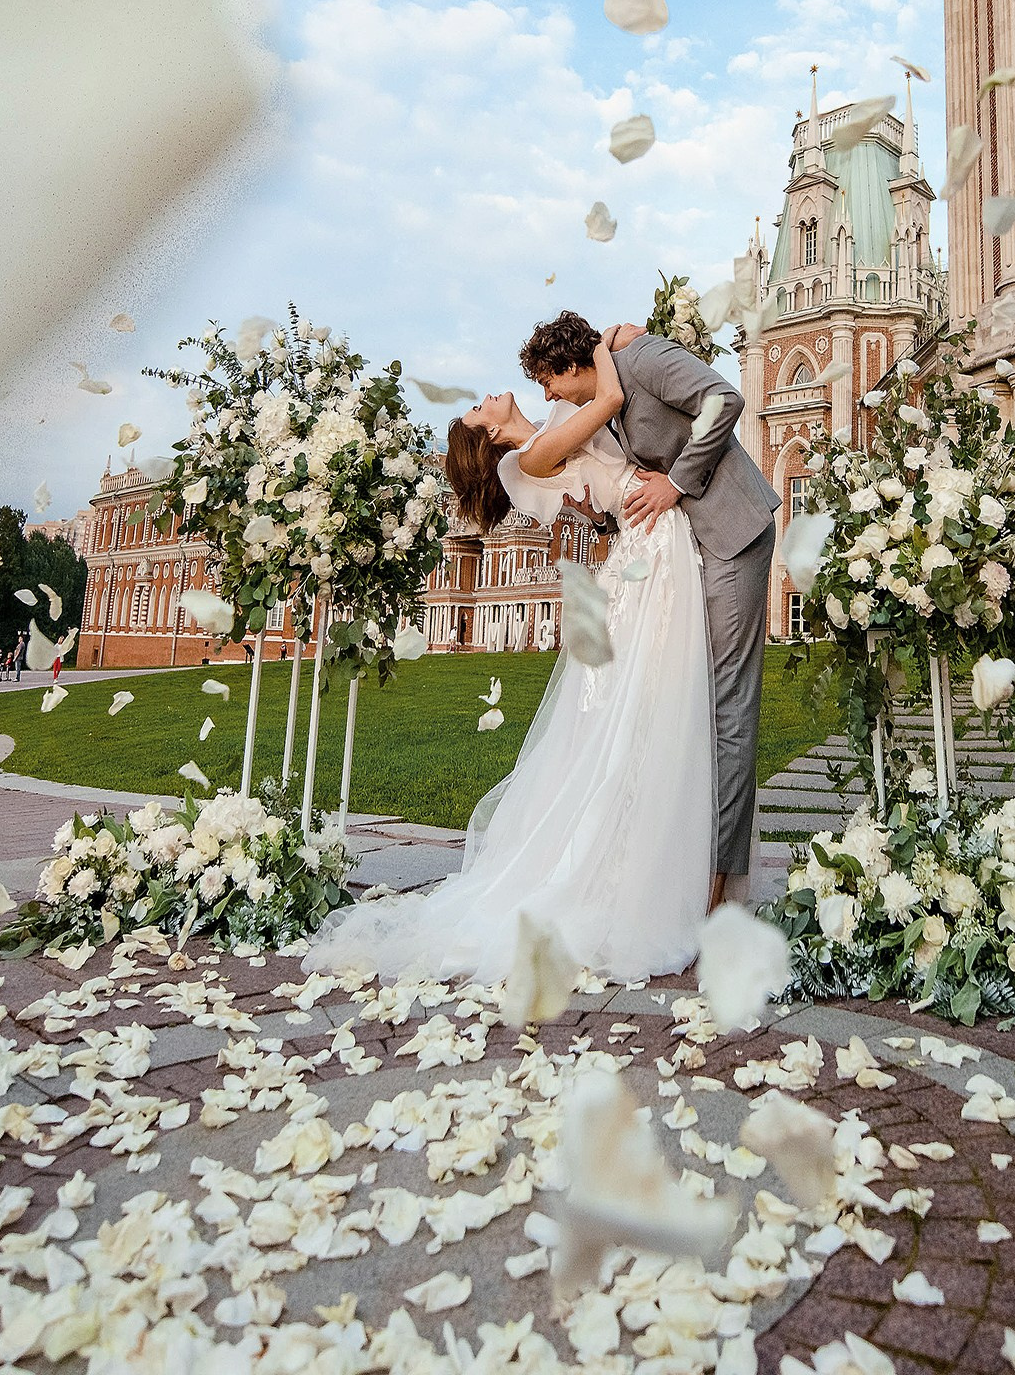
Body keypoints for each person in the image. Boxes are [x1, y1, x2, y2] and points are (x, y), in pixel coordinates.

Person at [302, 329, 716, 986]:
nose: (486, 399)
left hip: (649, 541)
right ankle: (618, 882)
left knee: (642, 716)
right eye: (475, 411)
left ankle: (630, 870)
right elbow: (606, 392)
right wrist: (606, 339)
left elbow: (585, 401)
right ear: (488, 437)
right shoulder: (532, 456)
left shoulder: (549, 422)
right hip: (652, 545)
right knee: (646, 715)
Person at [543, 312, 779, 915]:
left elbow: (723, 399)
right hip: (692, 546)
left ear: (572, 367)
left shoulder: (642, 359)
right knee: (691, 699)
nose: (550, 398)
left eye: (550, 384)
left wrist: (676, 482)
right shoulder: (609, 393)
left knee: (728, 701)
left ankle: (723, 882)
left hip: (731, 532)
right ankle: (692, 858)